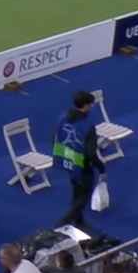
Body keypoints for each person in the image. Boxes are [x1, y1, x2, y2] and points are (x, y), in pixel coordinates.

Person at [53, 89, 106, 231]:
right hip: (82, 164)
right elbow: (91, 152)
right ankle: (64, 222)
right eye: (91, 104)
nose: (93, 106)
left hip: (68, 159)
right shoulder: (88, 126)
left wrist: (62, 154)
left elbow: (55, 137)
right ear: (86, 106)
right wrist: (101, 168)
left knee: (77, 189)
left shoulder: (63, 117)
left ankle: (78, 220)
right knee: (84, 196)